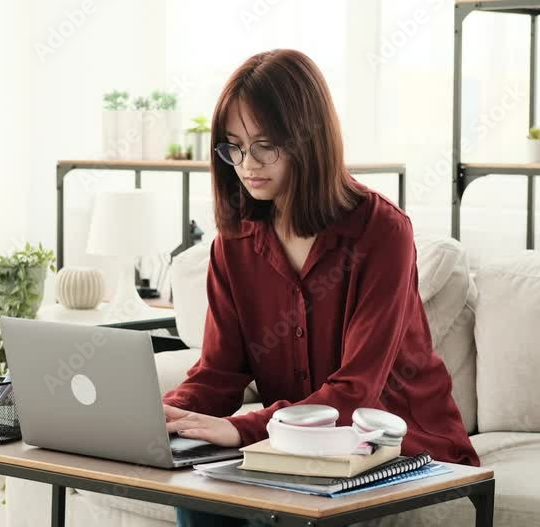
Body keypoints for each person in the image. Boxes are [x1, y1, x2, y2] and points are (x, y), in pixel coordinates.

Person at [161, 49, 480, 527]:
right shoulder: (235, 244)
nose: (248, 165)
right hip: (291, 448)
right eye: (234, 147)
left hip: (397, 443)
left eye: (264, 145)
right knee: (196, 489)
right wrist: (159, 416)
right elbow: (218, 373)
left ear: (308, 140)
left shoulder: (383, 233)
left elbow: (357, 395)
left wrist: (240, 428)